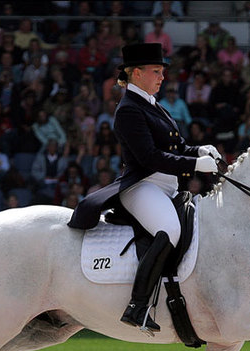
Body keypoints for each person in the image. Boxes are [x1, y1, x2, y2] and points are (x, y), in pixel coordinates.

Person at [67, 43, 220, 333]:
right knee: (169, 231)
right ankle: (137, 306)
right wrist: (194, 166)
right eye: (156, 71)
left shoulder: (153, 104)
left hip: (166, 187)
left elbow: (178, 146)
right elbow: (150, 157)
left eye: (162, 72)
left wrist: (200, 150)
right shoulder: (128, 110)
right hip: (142, 186)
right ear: (136, 73)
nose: (162, 77)